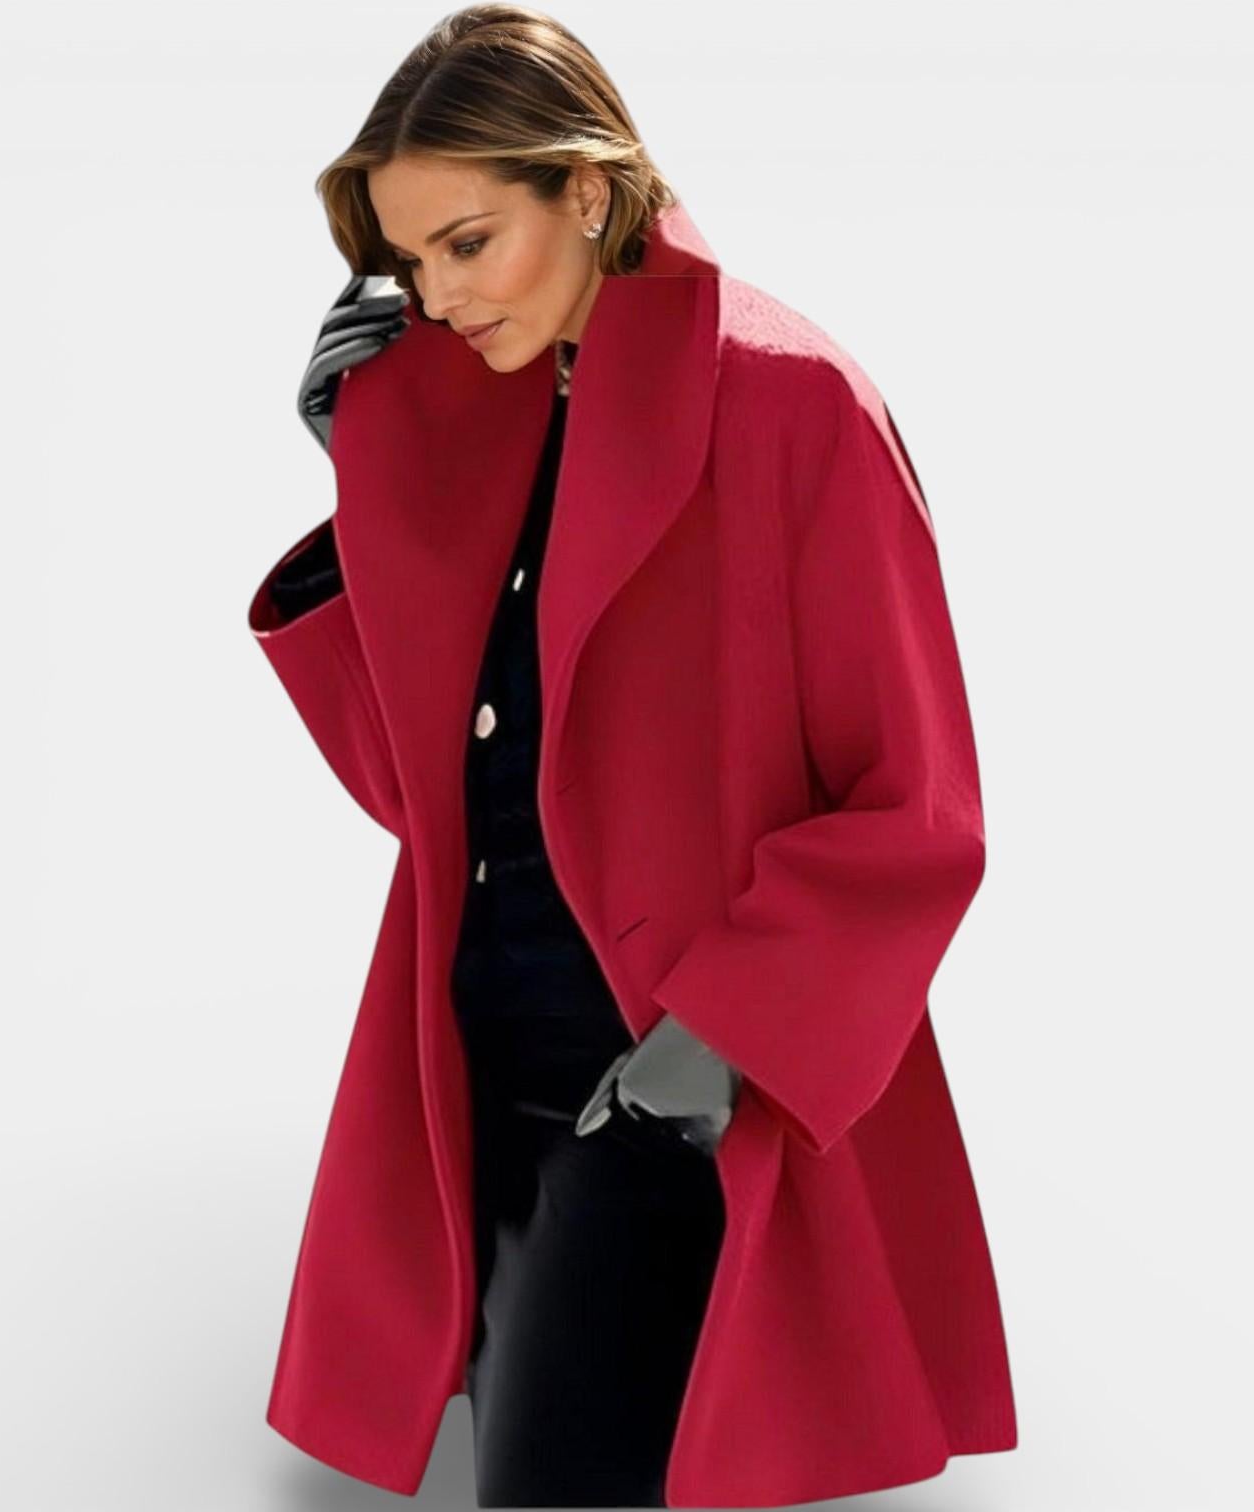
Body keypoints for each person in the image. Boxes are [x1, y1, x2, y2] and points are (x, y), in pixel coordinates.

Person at [248, 4, 1015, 1506]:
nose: (435, 296)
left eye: (467, 242)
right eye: (409, 262)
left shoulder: (792, 401)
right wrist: (371, 478)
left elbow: (918, 807)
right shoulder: (474, 414)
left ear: (588, 191)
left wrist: (712, 1047)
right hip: (471, 1070)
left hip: (654, 1086)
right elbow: (420, 798)